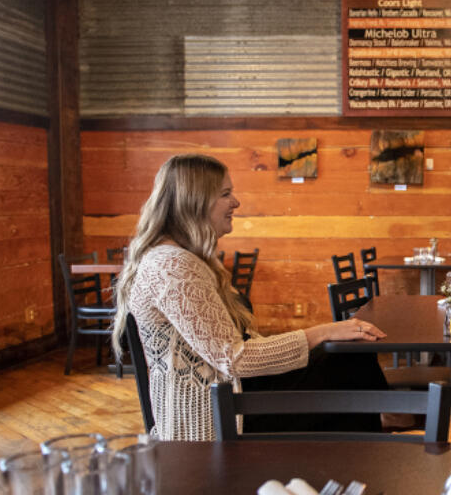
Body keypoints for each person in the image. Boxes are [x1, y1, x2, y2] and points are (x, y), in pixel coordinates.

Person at [112, 153, 388, 441]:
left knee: (349, 360)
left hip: (232, 396)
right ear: (194, 201)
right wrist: (322, 332)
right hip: (215, 417)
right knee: (349, 369)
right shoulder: (172, 265)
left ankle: (375, 434)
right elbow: (233, 359)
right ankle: (372, 444)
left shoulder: (182, 258)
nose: (236, 202)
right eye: (225, 194)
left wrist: (325, 335)